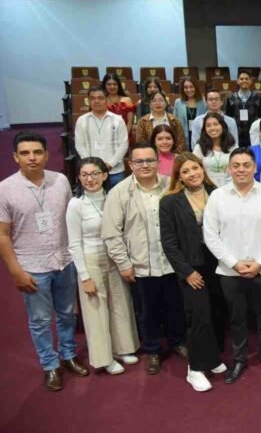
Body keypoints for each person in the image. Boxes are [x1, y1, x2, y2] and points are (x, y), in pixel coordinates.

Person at [0, 132, 87, 391]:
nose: (32, 158)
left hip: (64, 259)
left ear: (46, 155)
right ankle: (50, 365)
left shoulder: (60, 181)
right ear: (15, 157)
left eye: (37, 152)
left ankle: (68, 354)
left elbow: (71, 218)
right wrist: (15, 271)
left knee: (67, 313)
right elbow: (2, 235)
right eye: (25, 153)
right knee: (39, 320)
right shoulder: (5, 189)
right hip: (32, 265)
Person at [102, 142, 188, 376]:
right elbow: (111, 233)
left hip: (171, 263)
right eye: (139, 161)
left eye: (150, 160)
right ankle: (152, 349)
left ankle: (178, 341)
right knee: (147, 311)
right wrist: (123, 263)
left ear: (158, 162)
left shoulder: (171, 185)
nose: (145, 165)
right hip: (140, 264)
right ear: (130, 164)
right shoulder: (119, 192)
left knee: (175, 307)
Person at [203, 147, 261, 384]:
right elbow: (211, 235)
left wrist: (260, 263)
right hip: (230, 271)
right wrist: (234, 263)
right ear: (229, 169)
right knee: (237, 318)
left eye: (246, 165)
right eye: (236, 165)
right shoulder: (217, 196)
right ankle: (239, 360)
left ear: (254, 167)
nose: (241, 170)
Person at [159, 153, 228, 392]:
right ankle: (195, 369)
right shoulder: (169, 202)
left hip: (218, 264)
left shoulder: (217, 193)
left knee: (217, 313)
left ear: (202, 169)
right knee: (199, 316)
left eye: (195, 168)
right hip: (192, 268)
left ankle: (213, 358)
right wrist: (186, 272)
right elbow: (169, 243)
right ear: (178, 176)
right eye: (185, 171)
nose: (192, 174)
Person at [66, 158, 139, 376]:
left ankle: (122, 348)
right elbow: (74, 244)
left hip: (114, 256)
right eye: (85, 175)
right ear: (79, 178)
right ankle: (104, 358)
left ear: (105, 175)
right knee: (96, 310)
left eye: (95, 173)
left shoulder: (112, 198)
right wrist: (85, 276)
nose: (90, 179)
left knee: (120, 303)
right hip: (91, 258)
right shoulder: (76, 204)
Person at [74, 86, 129, 187]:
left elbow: (124, 144)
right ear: (88, 101)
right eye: (92, 98)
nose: (96, 101)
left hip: (115, 172)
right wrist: (93, 166)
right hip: (91, 173)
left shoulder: (118, 120)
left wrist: (110, 164)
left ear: (106, 100)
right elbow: (79, 145)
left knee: (118, 197)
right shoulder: (81, 120)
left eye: (100, 98)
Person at [192, 112, 238, 187]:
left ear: (222, 126)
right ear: (205, 129)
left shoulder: (233, 146)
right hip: (207, 187)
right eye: (208, 126)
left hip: (230, 186)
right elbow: (195, 169)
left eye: (216, 124)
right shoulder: (199, 148)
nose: (212, 128)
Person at [224, 70, 261, 147]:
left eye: (247, 79)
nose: (244, 81)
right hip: (236, 134)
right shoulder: (231, 98)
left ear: (251, 81)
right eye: (241, 79)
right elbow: (228, 117)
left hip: (254, 133)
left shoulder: (257, 98)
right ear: (237, 81)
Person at [173, 78, 208, 148]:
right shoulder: (178, 102)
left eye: (191, 87)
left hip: (200, 137)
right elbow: (174, 122)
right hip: (183, 137)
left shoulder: (204, 102)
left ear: (196, 87)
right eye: (186, 87)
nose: (189, 90)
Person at [102, 73, 135, 139]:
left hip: (125, 136)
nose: (112, 87)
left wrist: (123, 138)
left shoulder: (127, 100)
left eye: (115, 84)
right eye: (109, 84)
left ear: (118, 85)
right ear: (104, 86)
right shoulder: (101, 101)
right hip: (106, 136)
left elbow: (130, 122)